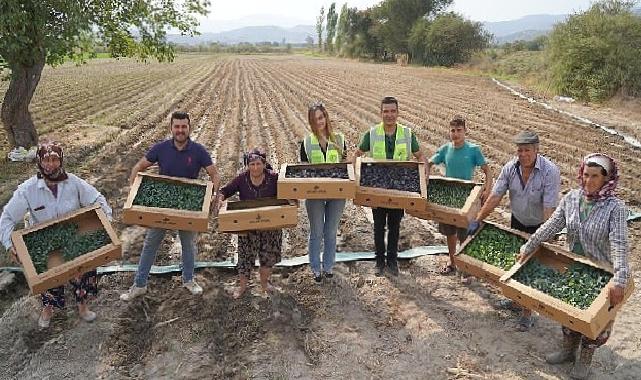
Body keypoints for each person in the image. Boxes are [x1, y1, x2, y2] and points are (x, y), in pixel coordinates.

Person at [518, 153, 630, 380]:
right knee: (569, 312)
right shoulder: (572, 198)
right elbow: (552, 225)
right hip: (573, 266)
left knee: (594, 321)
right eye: (586, 175)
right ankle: (568, 350)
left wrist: (619, 279)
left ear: (606, 179)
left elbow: (619, 244)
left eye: (595, 176)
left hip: (601, 272)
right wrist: (530, 245)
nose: (588, 181)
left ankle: (585, 359)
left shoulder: (615, 208)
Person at [0, 141, 112, 328]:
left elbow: (97, 199)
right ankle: (48, 309)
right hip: (46, 240)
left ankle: (82, 306)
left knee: (82, 272)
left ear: (61, 161)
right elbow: (7, 217)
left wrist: (106, 220)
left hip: (73, 235)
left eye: (54, 159)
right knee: (48, 278)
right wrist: (10, 243)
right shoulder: (28, 190)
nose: (50, 164)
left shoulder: (73, 182)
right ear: (39, 161)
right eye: (46, 160)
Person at [120, 111, 220, 301]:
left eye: (184, 127)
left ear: (189, 128)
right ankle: (139, 284)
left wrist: (213, 194)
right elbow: (138, 168)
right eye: (177, 127)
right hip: (162, 206)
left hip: (188, 206)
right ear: (171, 128)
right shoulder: (161, 148)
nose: (180, 130)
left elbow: (214, 175)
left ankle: (188, 280)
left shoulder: (198, 151)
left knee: (189, 245)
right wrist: (133, 192)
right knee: (150, 244)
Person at [468, 130, 561, 331]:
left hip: (540, 226)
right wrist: (477, 219)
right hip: (518, 221)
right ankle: (516, 301)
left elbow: (549, 208)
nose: (523, 154)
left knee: (529, 268)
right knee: (515, 263)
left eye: (527, 150)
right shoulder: (510, 168)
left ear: (536, 150)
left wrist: (543, 238)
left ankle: (527, 314)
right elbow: (495, 196)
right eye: (520, 150)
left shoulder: (549, 172)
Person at [353, 96, 428, 277]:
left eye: (393, 111)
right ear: (381, 113)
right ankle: (379, 262)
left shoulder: (407, 134)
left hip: (398, 190)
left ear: (398, 112)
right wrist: (354, 178)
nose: (389, 115)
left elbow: (421, 156)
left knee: (395, 226)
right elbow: (357, 154)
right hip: (377, 189)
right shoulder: (372, 133)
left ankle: (392, 261)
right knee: (378, 226)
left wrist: (424, 174)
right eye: (386, 111)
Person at [427, 116, 492, 277]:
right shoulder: (445, 149)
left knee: (464, 234)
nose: (455, 134)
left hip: (466, 198)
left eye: (459, 131)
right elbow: (429, 163)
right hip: (448, 197)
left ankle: (465, 268)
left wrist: (487, 189)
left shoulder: (473, 150)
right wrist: (425, 178)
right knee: (450, 233)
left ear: (465, 131)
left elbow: (487, 170)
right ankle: (452, 262)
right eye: (453, 131)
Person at [216, 148, 282, 298]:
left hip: (269, 224)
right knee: (245, 258)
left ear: (264, 164)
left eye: (258, 164)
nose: (255, 168)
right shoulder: (242, 179)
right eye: (252, 164)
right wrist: (219, 198)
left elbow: (289, 190)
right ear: (247, 165)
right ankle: (243, 286)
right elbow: (225, 191)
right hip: (247, 226)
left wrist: (293, 200)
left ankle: (265, 284)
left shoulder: (273, 178)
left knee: (268, 256)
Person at [301, 102, 347, 283]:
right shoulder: (306, 142)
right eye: (314, 119)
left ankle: (328, 266)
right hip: (315, 194)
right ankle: (315, 268)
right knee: (316, 232)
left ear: (326, 117)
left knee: (330, 231)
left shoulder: (340, 139)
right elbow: (303, 170)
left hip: (337, 193)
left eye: (321, 117)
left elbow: (345, 165)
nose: (319, 122)